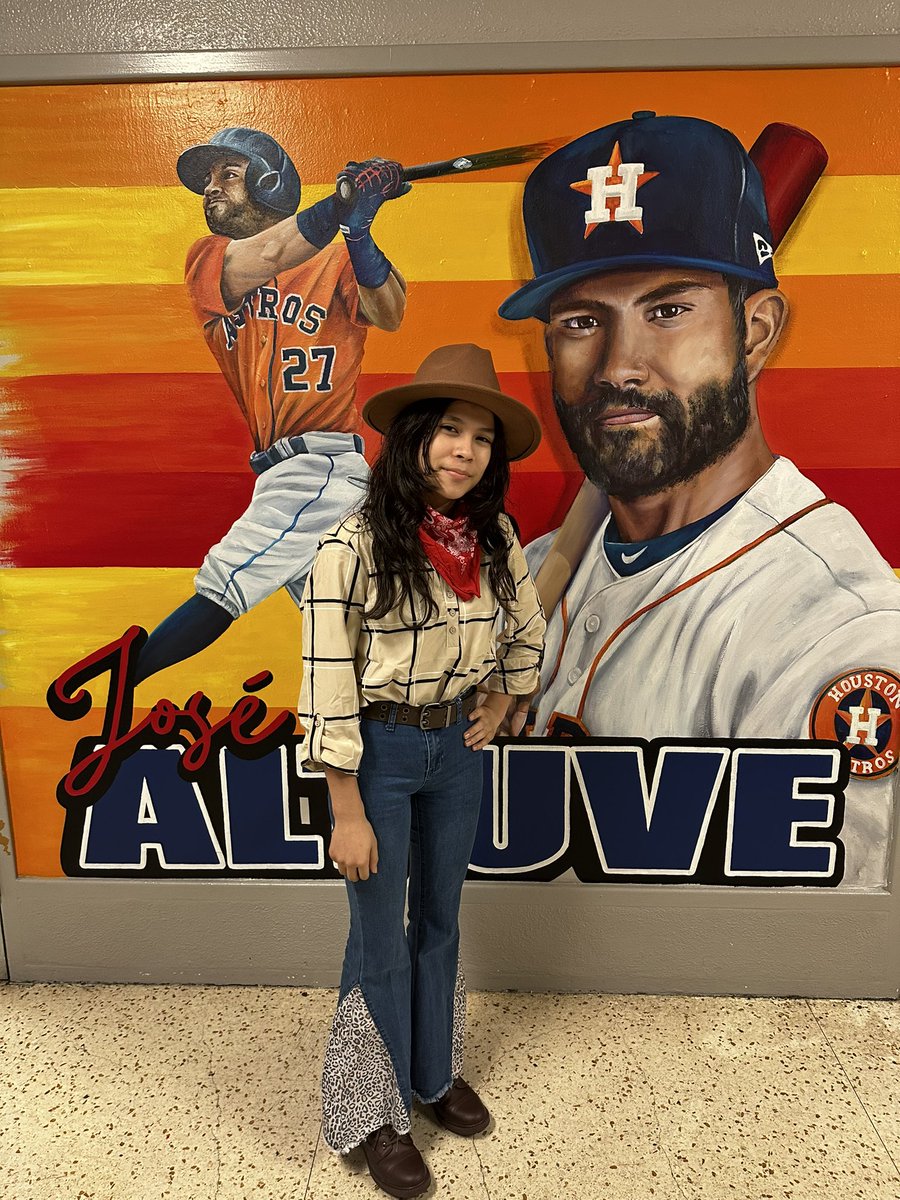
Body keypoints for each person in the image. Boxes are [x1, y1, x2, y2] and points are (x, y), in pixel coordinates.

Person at [499, 111, 900, 888]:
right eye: (583, 321)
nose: (621, 366)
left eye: (668, 310)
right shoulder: (530, 575)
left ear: (755, 333)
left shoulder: (831, 627)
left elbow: (815, 975)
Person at [299, 343, 545, 1197]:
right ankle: (374, 1114)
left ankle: (432, 1077)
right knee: (379, 940)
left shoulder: (496, 537)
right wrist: (347, 808)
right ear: (412, 439)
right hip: (380, 754)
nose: (464, 450)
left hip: (456, 751)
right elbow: (326, 682)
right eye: (448, 429)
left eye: (481, 437)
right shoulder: (352, 546)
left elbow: (528, 626)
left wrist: (507, 701)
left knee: (440, 920)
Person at [134, 128, 409, 682]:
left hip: (321, 467)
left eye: (227, 174)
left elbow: (391, 312)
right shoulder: (209, 259)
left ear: (270, 182)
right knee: (353, 635)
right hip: (281, 471)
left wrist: (358, 231)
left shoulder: (334, 263)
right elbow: (274, 251)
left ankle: (122, 681)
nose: (210, 189)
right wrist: (340, 204)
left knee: (227, 578)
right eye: (208, 180)